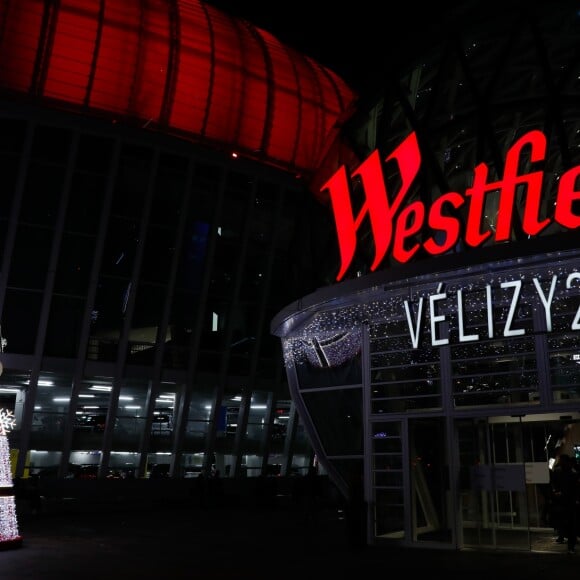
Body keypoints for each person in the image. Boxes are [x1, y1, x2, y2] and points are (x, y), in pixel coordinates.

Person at [551, 453, 580, 554]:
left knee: (566, 522)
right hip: (568, 502)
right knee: (570, 523)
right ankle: (570, 545)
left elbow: (555, 484)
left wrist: (556, 492)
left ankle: (566, 540)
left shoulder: (559, 472)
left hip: (563, 501)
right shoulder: (573, 473)